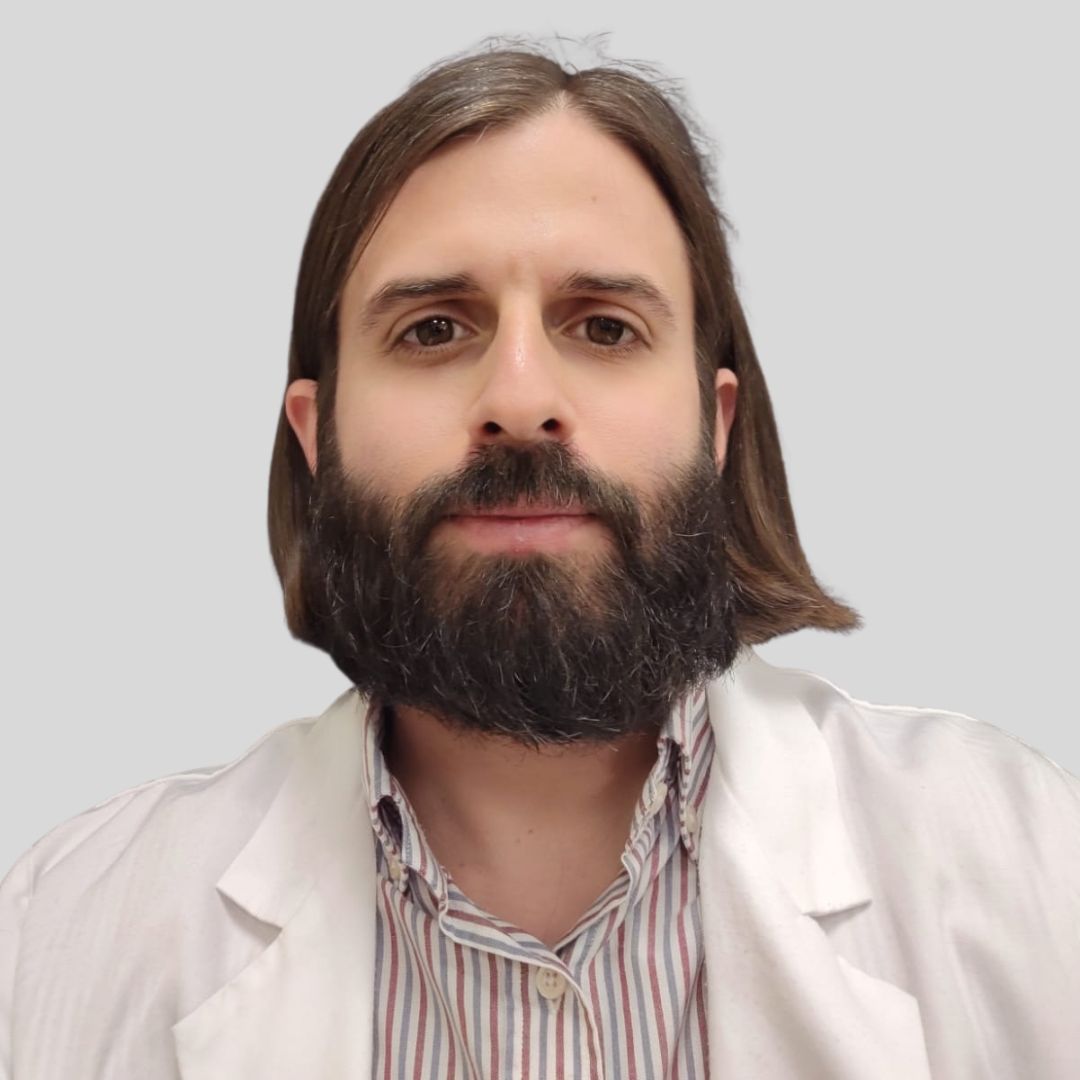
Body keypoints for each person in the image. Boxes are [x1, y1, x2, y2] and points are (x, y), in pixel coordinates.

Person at [2, 40, 1077, 1080]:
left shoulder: (1027, 871)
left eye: (603, 328)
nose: (520, 402)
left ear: (716, 426)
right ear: (316, 438)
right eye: (433, 330)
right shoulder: (65, 930)